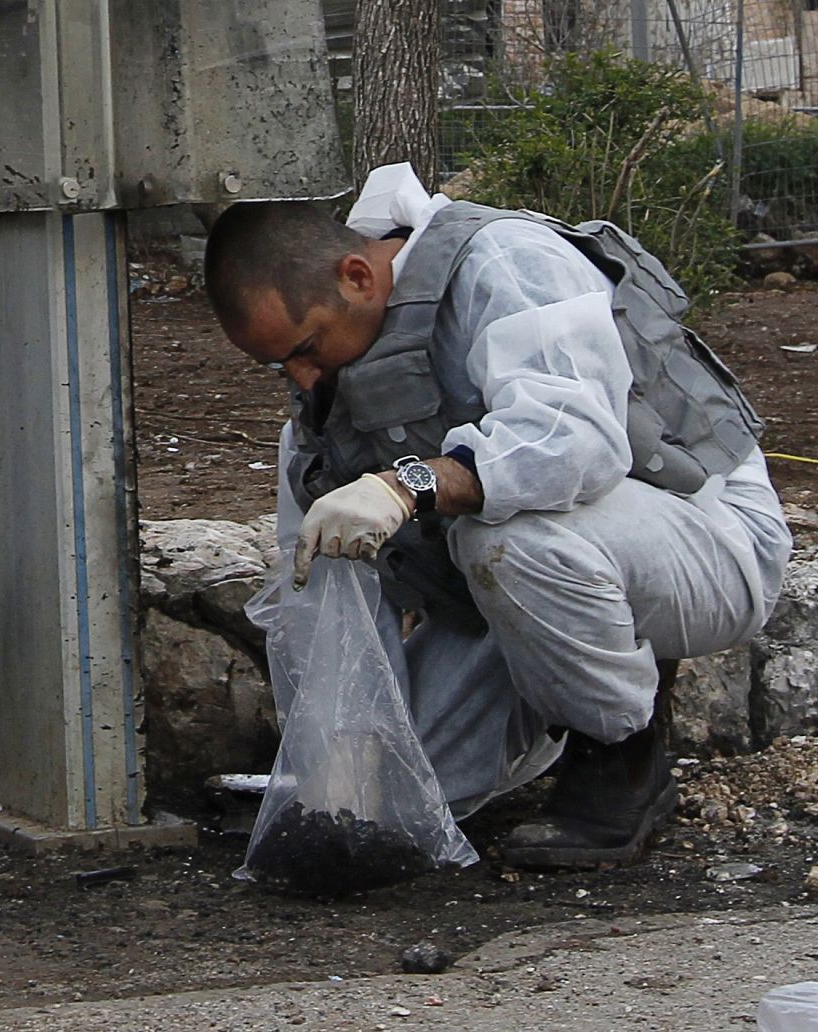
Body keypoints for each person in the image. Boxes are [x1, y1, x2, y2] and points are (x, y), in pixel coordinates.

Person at [204, 163, 792, 868]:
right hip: (511, 581)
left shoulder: (505, 262)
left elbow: (576, 443)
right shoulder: (322, 413)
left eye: (304, 349)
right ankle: (563, 698)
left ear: (358, 276)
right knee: (397, 801)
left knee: (510, 537)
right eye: (279, 367)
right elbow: (318, 604)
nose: (302, 379)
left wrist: (407, 485)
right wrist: (340, 766)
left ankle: (622, 763)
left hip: (704, 536)